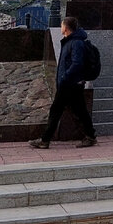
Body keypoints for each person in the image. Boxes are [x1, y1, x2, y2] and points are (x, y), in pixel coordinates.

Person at [29, 16, 97, 149]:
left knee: (56, 110)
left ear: (66, 28)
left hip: (69, 84)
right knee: (80, 111)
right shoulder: (70, 41)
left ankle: (45, 140)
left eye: (61, 25)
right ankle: (90, 136)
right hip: (72, 83)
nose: (61, 27)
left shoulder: (76, 43)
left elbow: (77, 63)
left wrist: (65, 77)